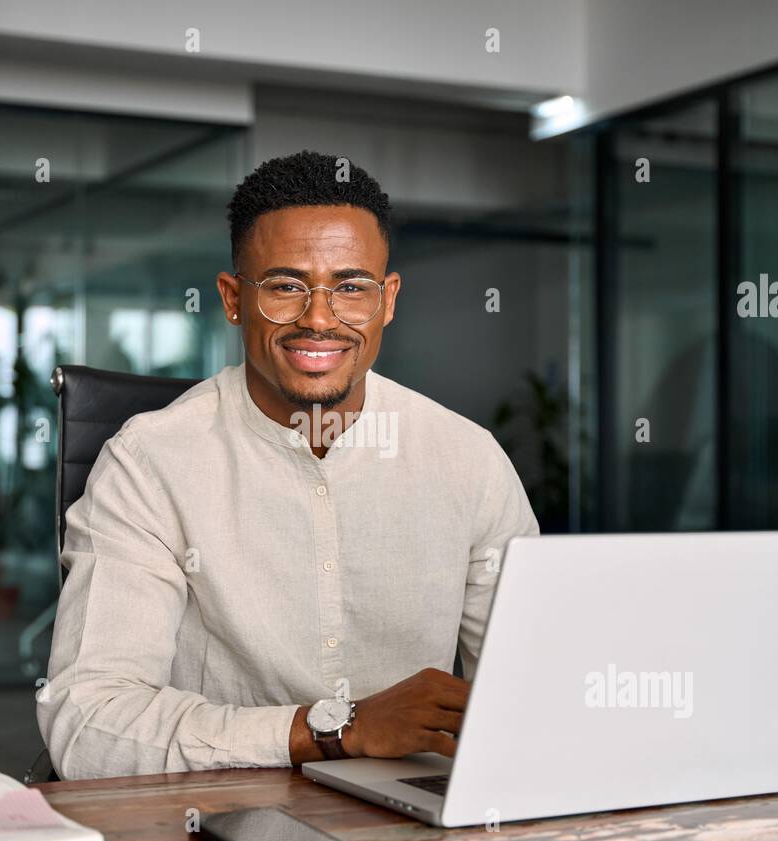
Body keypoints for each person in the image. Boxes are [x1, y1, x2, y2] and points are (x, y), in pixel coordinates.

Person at [38, 150, 538, 778]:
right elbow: (87, 726)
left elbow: (531, 695)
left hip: (416, 828)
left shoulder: (468, 460)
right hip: (214, 818)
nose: (320, 320)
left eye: (351, 287)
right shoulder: (149, 464)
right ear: (232, 299)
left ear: (388, 300)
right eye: (285, 286)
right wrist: (330, 731)